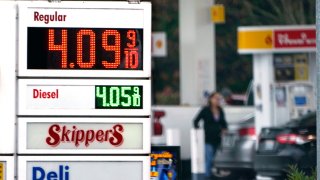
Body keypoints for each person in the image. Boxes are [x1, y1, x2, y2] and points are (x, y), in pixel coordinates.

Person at [193, 92, 228, 179]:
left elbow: (223, 122)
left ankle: (211, 174)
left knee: (214, 157)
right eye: (216, 98)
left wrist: (224, 129)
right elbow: (196, 120)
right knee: (209, 156)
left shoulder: (220, 110)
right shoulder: (205, 110)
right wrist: (198, 131)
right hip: (207, 137)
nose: (217, 100)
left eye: (219, 99)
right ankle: (207, 175)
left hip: (217, 137)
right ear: (211, 99)